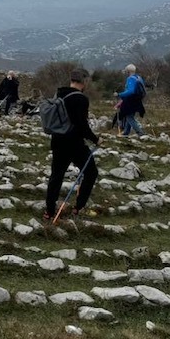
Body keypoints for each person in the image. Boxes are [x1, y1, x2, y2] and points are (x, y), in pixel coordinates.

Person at [45, 68, 100, 224]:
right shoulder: (80, 99)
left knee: (56, 176)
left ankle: (49, 211)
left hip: (57, 141)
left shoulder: (59, 94)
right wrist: (95, 140)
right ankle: (79, 206)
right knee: (91, 172)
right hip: (75, 144)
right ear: (84, 81)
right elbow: (81, 125)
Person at [115, 64, 146, 135]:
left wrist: (119, 94)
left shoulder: (130, 79)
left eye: (126, 72)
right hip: (138, 100)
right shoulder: (139, 78)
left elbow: (130, 91)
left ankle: (140, 133)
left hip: (131, 100)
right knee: (129, 115)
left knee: (129, 117)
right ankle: (126, 132)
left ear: (128, 71)